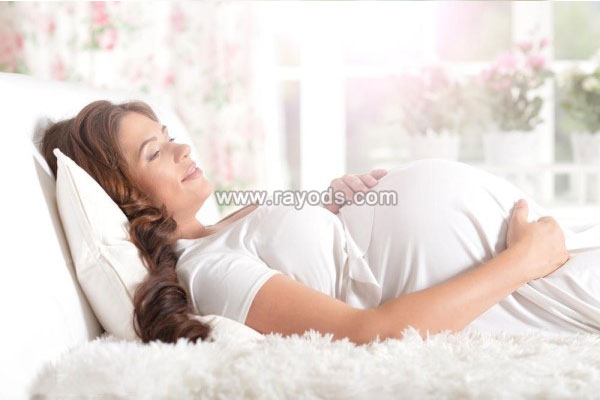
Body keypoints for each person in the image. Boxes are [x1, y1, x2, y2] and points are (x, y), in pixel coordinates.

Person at [41, 99, 586, 346]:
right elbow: (370, 333)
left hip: (524, 251)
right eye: (156, 152)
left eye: (169, 135)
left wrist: (335, 205)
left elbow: (320, 253)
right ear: (123, 196)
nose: (183, 148)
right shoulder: (207, 272)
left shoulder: (222, 228)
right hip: (521, 282)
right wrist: (522, 261)